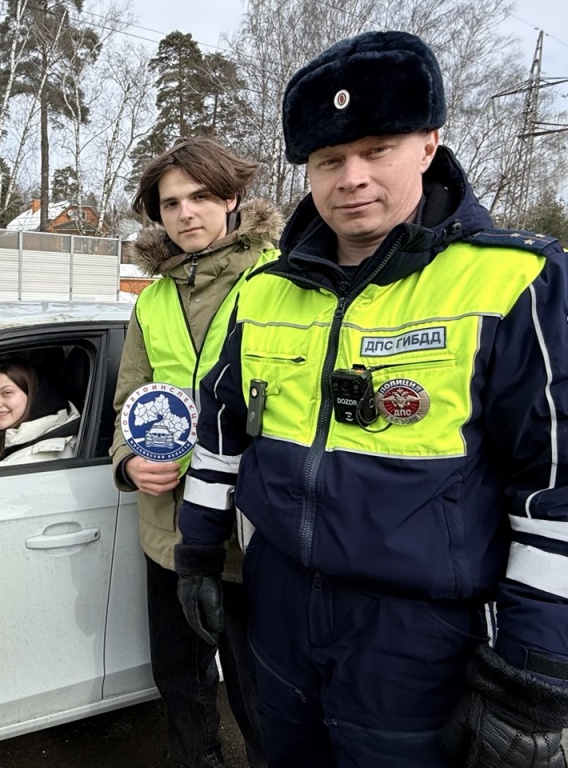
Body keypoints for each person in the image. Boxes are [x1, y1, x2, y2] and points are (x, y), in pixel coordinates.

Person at [174, 30, 568, 768]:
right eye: (329, 160)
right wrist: (197, 549)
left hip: (421, 638)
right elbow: (221, 437)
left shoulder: (515, 281)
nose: (351, 178)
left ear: (428, 145)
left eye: (377, 149)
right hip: (280, 608)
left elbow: (554, 489)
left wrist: (535, 668)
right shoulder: (263, 293)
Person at [110, 136, 282, 768]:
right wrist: (128, 460)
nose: (186, 213)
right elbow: (129, 399)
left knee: (259, 691)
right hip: (168, 531)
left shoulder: (280, 283)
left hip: (247, 531)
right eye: (171, 203)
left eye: (201, 196)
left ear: (232, 198)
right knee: (180, 677)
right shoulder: (152, 299)